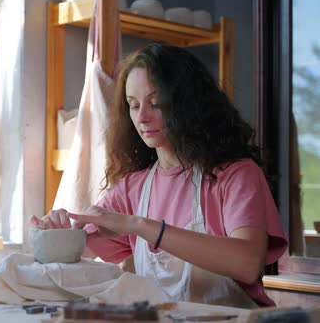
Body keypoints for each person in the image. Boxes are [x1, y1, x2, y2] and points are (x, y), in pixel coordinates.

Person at [31, 44, 287, 308]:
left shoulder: (237, 176)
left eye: (156, 103)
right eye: (133, 105)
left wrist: (140, 225)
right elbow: (77, 249)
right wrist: (55, 233)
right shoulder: (133, 188)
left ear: (188, 103)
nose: (142, 116)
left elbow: (246, 263)